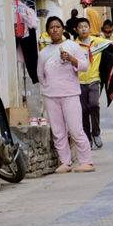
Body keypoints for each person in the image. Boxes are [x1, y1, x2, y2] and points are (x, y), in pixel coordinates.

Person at [38, 16, 94, 173]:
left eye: (57, 26)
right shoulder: (43, 53)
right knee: (58, 131)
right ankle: (65, 162)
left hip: (70, 94)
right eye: (51, 27)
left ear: (63, 29)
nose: (55, 29)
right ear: (47, 31)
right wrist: (50, 86)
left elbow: (83, 66)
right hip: (51, 95)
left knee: (75, 128)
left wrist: (70, 58)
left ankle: (86, 161)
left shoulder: (72, 46)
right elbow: (40, 75)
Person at [76, 17, 104, 148]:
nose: (83, 29)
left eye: (85, 27)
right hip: (79, 81)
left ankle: (96, 133)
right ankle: (87, 137)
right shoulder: (73, 45)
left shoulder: (97, 42)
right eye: (80, 27)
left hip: (94, 79)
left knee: (94, 105)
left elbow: (112, 46)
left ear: (89, 28)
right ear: (76, 30)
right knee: (83, 111)